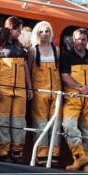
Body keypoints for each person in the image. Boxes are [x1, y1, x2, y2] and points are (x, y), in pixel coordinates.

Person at [0, 17, 32, 161]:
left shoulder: (20, 47)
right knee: (2, 121)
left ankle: (17, 151)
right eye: (17, 30)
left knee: (19, 122)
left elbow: (25, 68)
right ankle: (3, 152)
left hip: (19, 89)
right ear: (10, 28)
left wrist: (29, 87)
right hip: (2, 89)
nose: (19, 33)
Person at [60, 28, 88, 171]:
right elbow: (65, 76)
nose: (80, 42)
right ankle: (78, 157)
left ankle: (85, 164)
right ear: (73, 39)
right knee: (69, 125)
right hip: (73, 98)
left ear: (87, 41)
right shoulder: (66, 56)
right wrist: (79, 87)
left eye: (83, 39)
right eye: (78, 39)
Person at [27, 20, 61, 165]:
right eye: (41, 31)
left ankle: (54, 154)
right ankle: (41, 155)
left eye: (47, 31)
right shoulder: (33, 50)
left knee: (56, 123)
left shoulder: (56, 50)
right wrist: (29, 88)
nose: (44, 34)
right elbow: (27, 70)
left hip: (56, 92)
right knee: (40, 123)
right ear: (37, 33)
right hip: (39, 92)